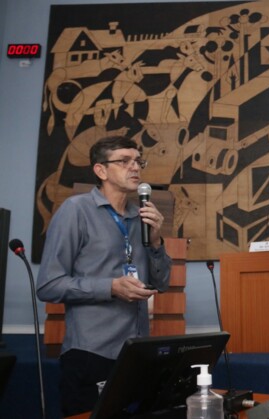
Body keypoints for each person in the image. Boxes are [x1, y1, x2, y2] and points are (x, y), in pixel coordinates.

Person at [36, 135, 172, 416]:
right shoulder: (75, 211)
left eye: (138, 161)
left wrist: (157, 243)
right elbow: (48, 285)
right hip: (90, 354)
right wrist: (110, 287)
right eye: (124, 161)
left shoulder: (141, 217)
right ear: (100, 170)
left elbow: (161, 283)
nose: (135, 167)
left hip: (136, 354)